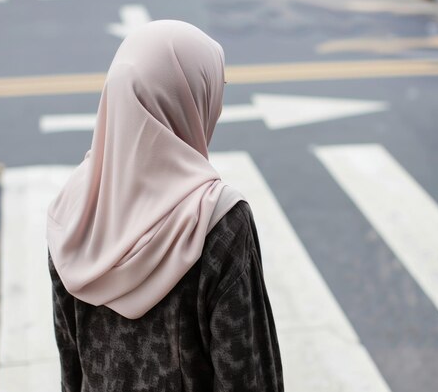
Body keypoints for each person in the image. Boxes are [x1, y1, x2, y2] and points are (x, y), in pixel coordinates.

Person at [45, 20, 284, 392]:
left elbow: (70, 366)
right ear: (188, 100)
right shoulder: (218, 221)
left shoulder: (75, 208)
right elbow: (248, 374)